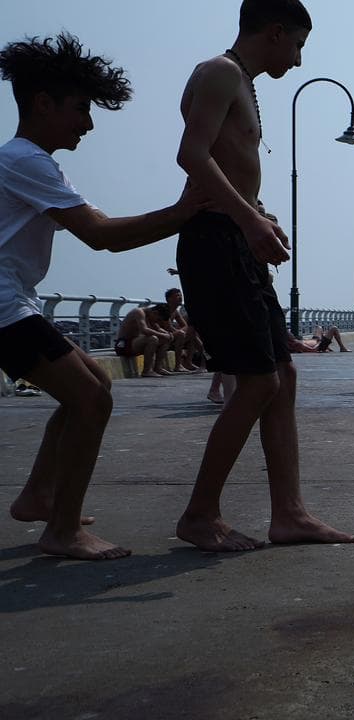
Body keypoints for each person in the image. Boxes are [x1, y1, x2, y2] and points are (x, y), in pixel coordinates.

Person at [0, 32, 202, 559]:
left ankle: (38, 496)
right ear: (42, 103)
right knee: (90, 398)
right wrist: (185, 211)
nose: (87, 124)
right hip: (2, 306)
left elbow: (101, 228)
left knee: (89, 383)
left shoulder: (28, 162)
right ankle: (62, 531)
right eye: (80, 109)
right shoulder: (25, 161)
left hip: (13, 301)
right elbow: (103, 235)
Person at [173, 0, 354, 551]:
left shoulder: (241, 82)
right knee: (257, 382)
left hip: (237, 241)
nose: (299, 61)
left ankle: (289, 515)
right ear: (275, 32)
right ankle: (200, 515)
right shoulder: (220, 72)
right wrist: (249, 220)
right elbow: (192, 154)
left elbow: (229, 165)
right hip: (215, 243)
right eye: (297, 45)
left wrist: (258, 213)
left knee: (283, 376)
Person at [114, 304, 174, 377]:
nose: (157, 322)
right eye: (158, 319)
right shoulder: (139, 312)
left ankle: (158, 368)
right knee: (153, 339)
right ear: (155, 312)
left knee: (165, 340)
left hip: (134, 343)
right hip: (123, 345)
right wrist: (163, 335)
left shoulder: (150, 315)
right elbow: (144, 330)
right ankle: (147, 371)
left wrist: (167, 334)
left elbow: (158, 329)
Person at [164, 287, 203, 371]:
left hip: (172, 336)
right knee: (183, 334)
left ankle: (188, 363)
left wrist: (183, 330)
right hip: (164, 336)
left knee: (192, 333)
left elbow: (185, 325)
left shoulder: (175, 311)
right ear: (169, 299)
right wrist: (181, 331)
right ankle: (178, 366)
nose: (180, 297)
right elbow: (168, 327)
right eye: (177, 296)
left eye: (181, 295)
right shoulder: (164, 310)